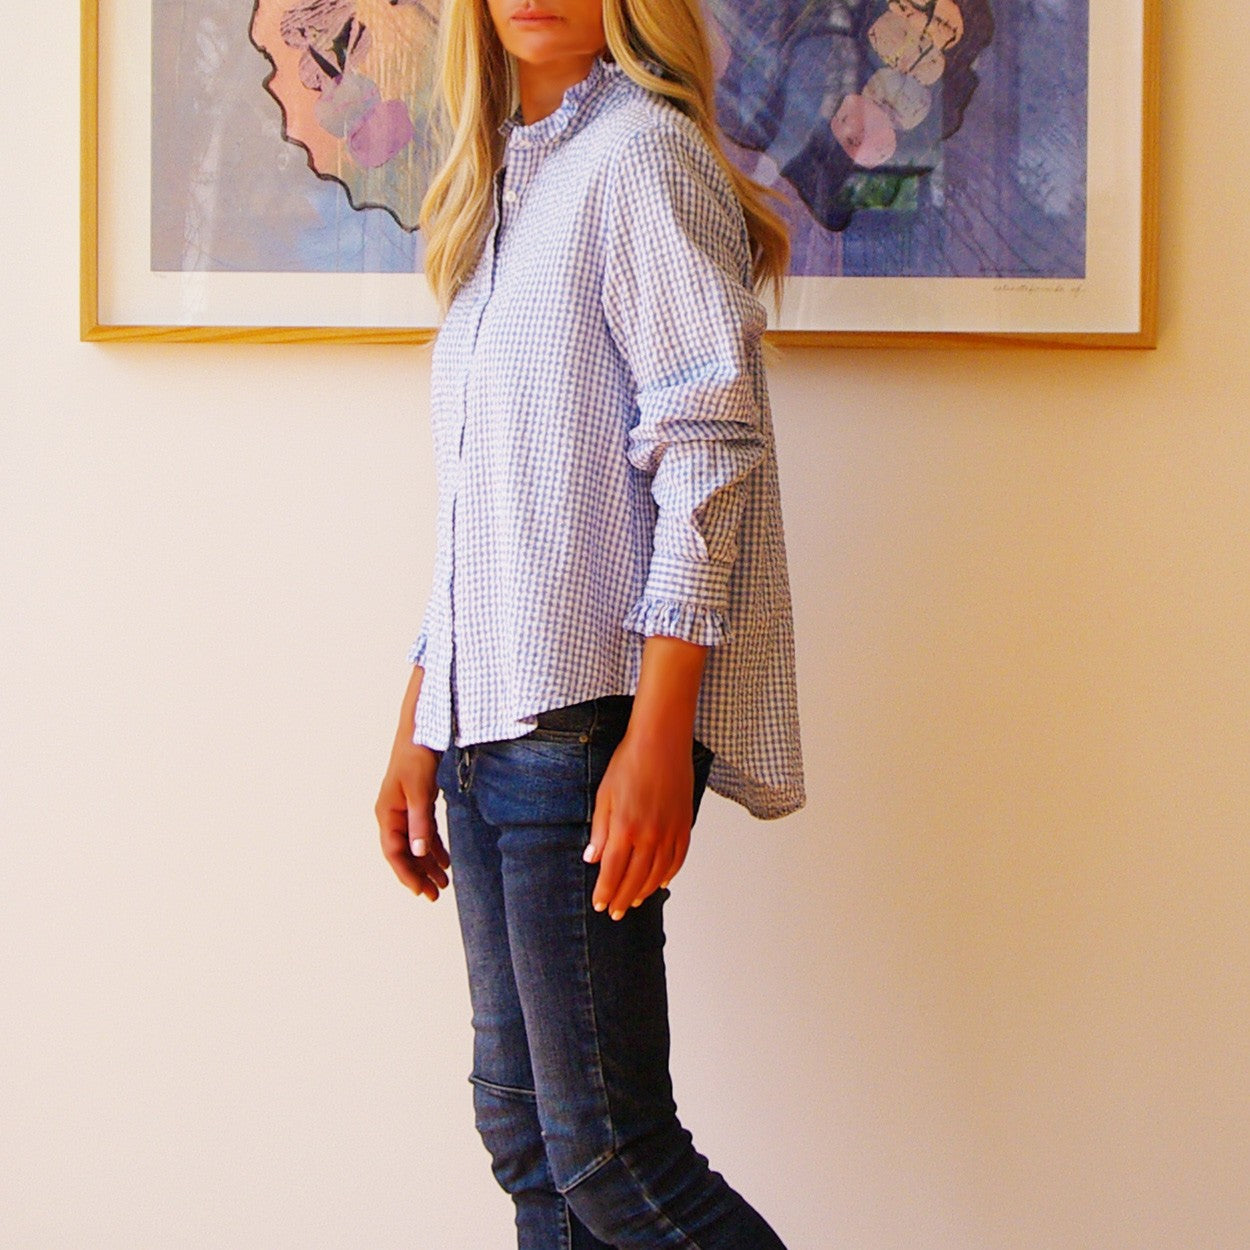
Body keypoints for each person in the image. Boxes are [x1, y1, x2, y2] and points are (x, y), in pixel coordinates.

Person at [375, 1, 804, 1245]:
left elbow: (707, 449)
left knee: (614, 1156)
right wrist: (417, 721)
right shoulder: (502, 188)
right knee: (530, 1145)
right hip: (484, 724)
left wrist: (661, 733)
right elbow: (483, 504)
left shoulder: (640, 155)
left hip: (580, 728)